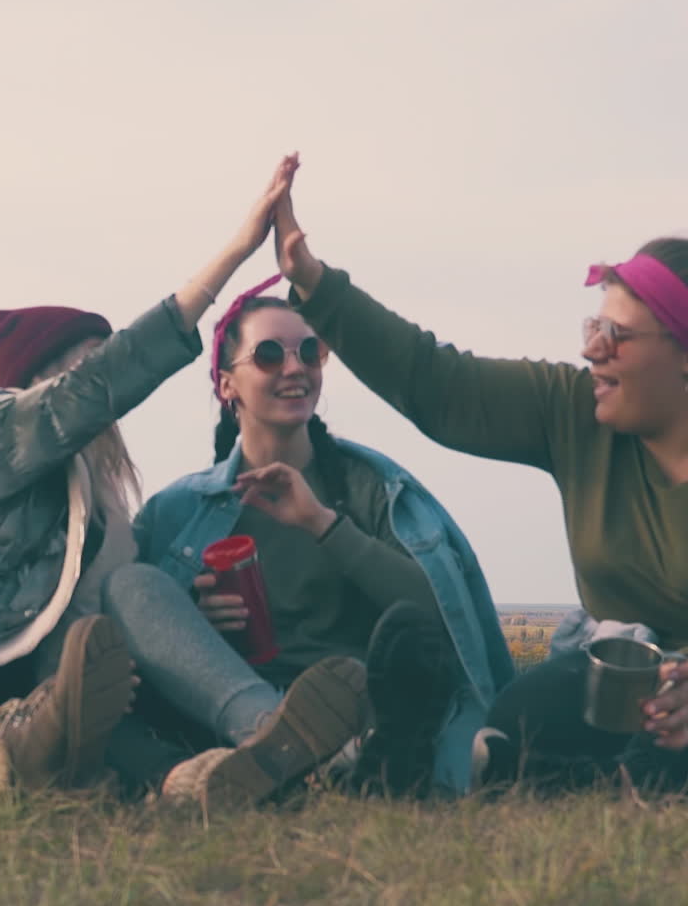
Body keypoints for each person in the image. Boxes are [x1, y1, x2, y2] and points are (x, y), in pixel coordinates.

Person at [270, 171, 688, 792]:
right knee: (517, 730)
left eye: (617, 336)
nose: (592, 351)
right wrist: (314, 282)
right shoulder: (576, 412)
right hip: (622, 676)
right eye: (592, 329)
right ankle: (416, 762)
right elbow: (439, 383)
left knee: (646, 767)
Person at [103, 255, 512, 806]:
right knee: (132, 586)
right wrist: (192, 615)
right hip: (233, 712)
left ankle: (323, 762)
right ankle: (283, 743)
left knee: (412, 636)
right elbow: (138, 630)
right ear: (228, 386)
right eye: (269, 355)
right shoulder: (181, 507)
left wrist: (323, 524)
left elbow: (436, 615)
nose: (295, 368)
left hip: (363, 708)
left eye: (310, 352)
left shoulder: (372, 485)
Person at [0, 157, 298, 796]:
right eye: (82, 371)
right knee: (82, 669)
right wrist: (235, 252)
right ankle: (176, 774)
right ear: (34, 387)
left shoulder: (110, 496)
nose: (99, 393)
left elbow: (123, 606)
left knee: (139, 586)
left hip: (97, 684)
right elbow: (108, 381)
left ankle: (267, 735)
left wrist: (191, 615)